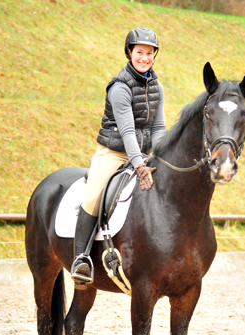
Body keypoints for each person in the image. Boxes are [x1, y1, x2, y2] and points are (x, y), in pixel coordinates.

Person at [71, 27, 166, 287]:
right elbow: (126, 131)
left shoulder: (157, 87)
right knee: (93, 195)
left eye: (149, 53)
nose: (144, 58)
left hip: (144, 154)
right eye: (139, 52)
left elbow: (158, 129)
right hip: (113, 152)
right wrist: (138, 164)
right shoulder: (119, 87)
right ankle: (81, 258)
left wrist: (161, 156)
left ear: (154, 55)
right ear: (129, 52)